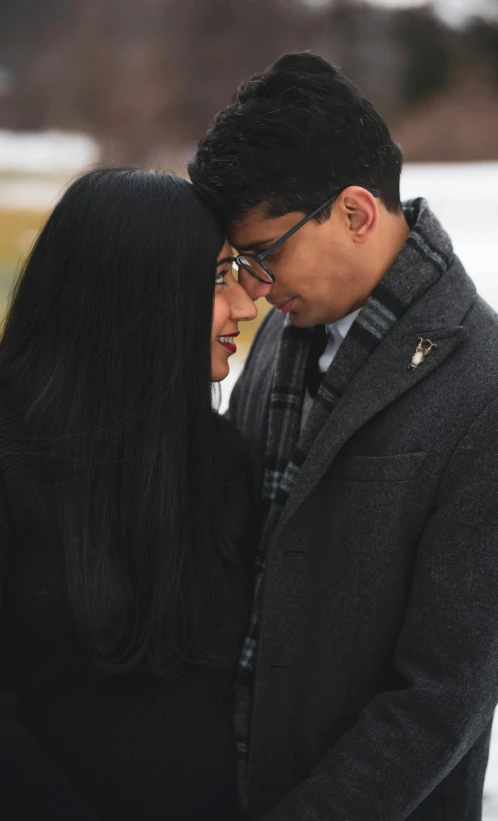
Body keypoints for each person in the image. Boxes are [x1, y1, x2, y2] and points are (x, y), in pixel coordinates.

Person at [188, 52, 498, 821]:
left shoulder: (483, 384)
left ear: (356, 213)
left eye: (265, 254)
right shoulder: (288, 325)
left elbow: (442, 696)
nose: (254, 288)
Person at [0, 167, 258, 821]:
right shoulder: (11, 460)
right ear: (140, 296)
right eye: (217, 280)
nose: (244, 307)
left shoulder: (220, 460)